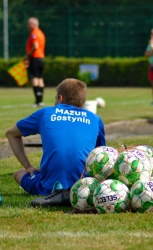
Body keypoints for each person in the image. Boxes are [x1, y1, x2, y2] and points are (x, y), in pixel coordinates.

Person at [6, 78, 106, 207]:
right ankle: (72, 191)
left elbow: (11, 133)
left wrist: (28, 167)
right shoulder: (95, 119)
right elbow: (101, 154)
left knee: (19, 173)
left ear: (60, 98)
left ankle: (57, 190)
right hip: (84, 187)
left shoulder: (45, 113)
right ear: (83, 101)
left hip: (48, 187)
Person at [25, 17, 46, 107]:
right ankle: (40, 100)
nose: (27, 26)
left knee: (34, 79)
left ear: (34, 25)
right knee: (40, 79)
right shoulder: (41, 33)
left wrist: (28, 55)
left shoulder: (34, 34)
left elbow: (35, 46)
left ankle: (37, 101)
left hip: (35, 58)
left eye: (29, 24)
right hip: (41, 59)